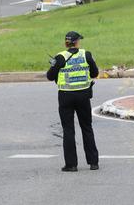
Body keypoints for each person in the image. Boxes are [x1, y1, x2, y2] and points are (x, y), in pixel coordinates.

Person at [47, 31, 99, 172]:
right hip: (83, 96)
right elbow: (95, 73)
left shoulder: (60, 57)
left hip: (65, 96)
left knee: (68, 130)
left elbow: (50, 76)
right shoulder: (86, 55)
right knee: (87, 128)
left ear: (66, 43)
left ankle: (71, 164)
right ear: (77, 42)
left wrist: (54, 65)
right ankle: (93, 162)